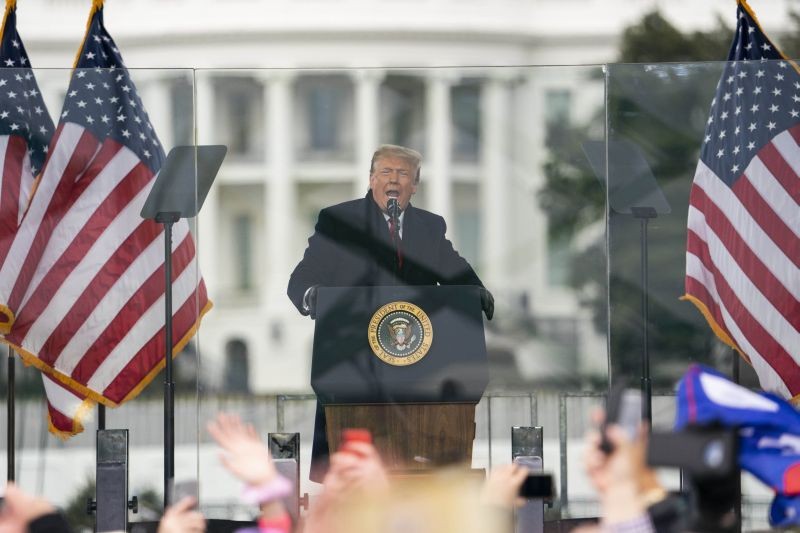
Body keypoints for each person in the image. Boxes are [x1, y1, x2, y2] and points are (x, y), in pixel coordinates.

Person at [287, 144, 494, 481]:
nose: (393, 180)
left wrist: (477, 292)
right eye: (386, 172)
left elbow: (453, 268)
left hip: (419, 369)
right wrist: (314, 297)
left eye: (402, 174)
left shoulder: (429, 226)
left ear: (415, 185)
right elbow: (304, 277)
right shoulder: (339, 221)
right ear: (371, 179)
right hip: (353, 364)